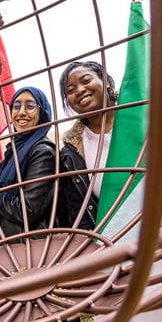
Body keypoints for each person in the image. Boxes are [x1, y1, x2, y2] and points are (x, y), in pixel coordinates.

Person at [0, 86, 55, 239]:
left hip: (34, 251)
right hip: (15, 247)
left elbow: (26, 211)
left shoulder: (43, 152)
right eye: (16, 106)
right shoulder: (16, 150)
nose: (21, 112)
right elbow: (10, 186)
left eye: (30, 106)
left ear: (42, 113)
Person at [57, 61, 117, 230]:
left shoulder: (139, 115)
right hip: (122, 238)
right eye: (70, 90)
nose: (80, 90)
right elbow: (79, 212)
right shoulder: (71, 153)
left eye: (86, 81)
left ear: (105, 81)